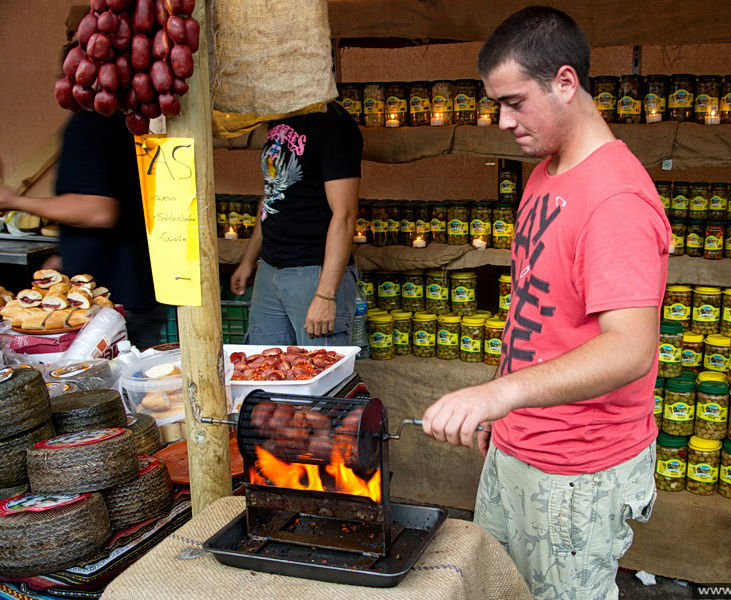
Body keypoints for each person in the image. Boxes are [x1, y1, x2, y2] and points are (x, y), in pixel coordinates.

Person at [421, 7, 671, 599]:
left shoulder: (616, 200)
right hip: (520, 443)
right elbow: (537, 311)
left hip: (576, 469)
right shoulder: (546, 174)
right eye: (496, 104)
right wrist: (502, 408)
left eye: (514, 101)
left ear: (565, 82)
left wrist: (499, 395)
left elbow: (632, 349)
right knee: (498, 588)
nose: (503, 121)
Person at [0, 111, 165, 349]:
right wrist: (66, 254)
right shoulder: (123, 120)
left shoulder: (90, 123)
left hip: (110, 304)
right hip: (137, 287)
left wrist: (16, 201)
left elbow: (99, 210)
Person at [230, 101, 363, 345]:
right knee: (263, 369)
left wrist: (326, 294)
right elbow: (272, 193)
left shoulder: (333, 124)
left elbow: (345, 214)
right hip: (270, 268)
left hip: (312, 272)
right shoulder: (280, 117)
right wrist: (249, 260)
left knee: (319, 371)